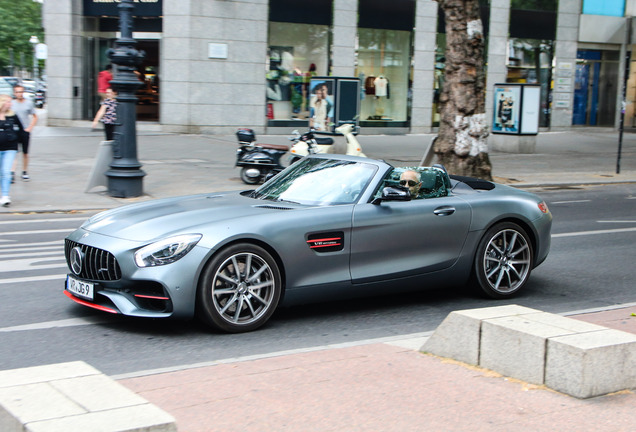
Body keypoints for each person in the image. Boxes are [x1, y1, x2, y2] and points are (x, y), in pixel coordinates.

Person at [0, 94, 24, 207]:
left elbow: (21, 129)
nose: (11, 104)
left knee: (5, 171)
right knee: (1, 172)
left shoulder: (12, 115)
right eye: (8, 102)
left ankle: (5, 196)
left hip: (10, 148)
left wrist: (20, 141)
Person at [11, 84, 38, 182]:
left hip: (25, 131)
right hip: (14, 131)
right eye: (17, 92)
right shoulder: (11, 104)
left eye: (21, 92)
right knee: (14, 152)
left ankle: (24, 171)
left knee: (25, 153)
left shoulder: (28, 103)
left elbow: (35, 116)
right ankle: (12, 172)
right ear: (14, 93)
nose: (19, 94)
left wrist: (30, 128)